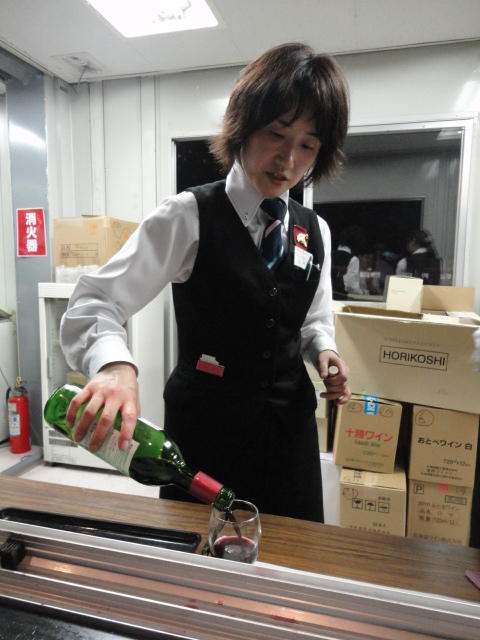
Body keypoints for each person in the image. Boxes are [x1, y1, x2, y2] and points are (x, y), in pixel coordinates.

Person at [60, 42, 351, 522]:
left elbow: (311, 318)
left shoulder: (314, 229)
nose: (288, 159)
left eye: (308, 145)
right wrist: (113, 365)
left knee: (294, 552)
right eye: (276, 134)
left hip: (289, 436)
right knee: (199, 552)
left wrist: (324, 349)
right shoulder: (188, 215)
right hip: (207, 435)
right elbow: (95, 301)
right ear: (243, 126)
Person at [331, 225, 367, 298]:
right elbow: (351, 286)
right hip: (339, 297)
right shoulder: (353, 259)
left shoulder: (329, 254)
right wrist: (363, 293)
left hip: (326, 295)